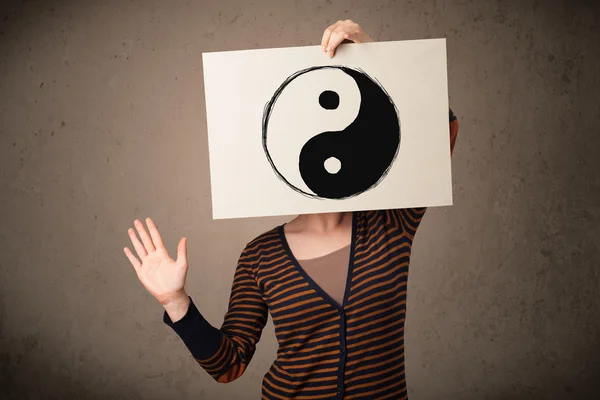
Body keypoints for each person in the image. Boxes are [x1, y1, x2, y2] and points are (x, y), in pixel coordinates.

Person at [124, 19, 459, 400]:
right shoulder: (260, 256)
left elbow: (443, 128)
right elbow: (228, 365)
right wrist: (175, 301)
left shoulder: (392, 223)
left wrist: (377, 61)